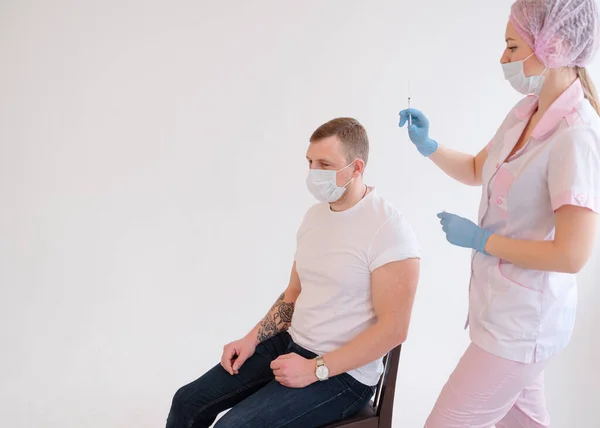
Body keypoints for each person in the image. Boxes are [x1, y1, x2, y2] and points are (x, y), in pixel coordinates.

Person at [399, 0, 600, 426]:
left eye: (511, 47)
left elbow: (572, 255)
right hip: (502, 312)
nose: (503, 59)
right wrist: (429, 146)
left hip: (525, 325)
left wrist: (482, 240)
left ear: (556, 45)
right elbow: (478, 168)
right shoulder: (525, 112)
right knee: (525, 421)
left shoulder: (576, 136)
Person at [166, 117, 421, 428]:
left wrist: (315, 369)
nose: (314, 172)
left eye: (325, 164)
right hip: (290, 343)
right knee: (187, 402)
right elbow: (294, 293)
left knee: (232, 427)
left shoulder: (388, 229)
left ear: (356, 168)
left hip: (343, 376)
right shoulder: (314, 217)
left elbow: (395, 329)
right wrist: (251, 339)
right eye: (310, 162)